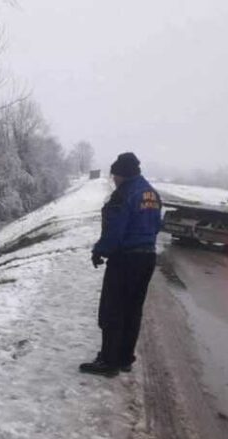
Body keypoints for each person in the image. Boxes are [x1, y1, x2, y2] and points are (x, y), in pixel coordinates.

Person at [80, 152, 161, 377]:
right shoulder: (151, 193)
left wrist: (100, 251)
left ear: (122, 175)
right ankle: (125, 358)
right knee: (132, 310)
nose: (114, 179)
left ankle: (108, 361)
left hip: (125, 260)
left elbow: (114, 231)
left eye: (115, 175)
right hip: (147, 259)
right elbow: (157, 225)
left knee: (113, 310)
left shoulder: (124, 194)